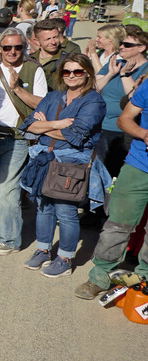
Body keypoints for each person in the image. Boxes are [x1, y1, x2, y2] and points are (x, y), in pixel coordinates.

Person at [20, 54, 105, 278]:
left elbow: (76, 135)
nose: (71, 76)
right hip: (45, 158)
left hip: (71, 162)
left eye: (77, 72)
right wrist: (56, 124)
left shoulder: (93, 101)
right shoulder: (54, 96)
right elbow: (26, 126)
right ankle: (43, 250)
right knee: (43, 206)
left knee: (66, 212)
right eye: (66, 72)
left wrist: (42, 126)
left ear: (87, 73)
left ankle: (65, 258)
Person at [0, 27, 48, 255]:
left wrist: (17, 89)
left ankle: (10, 240)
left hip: (18, 138)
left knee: (8, 189)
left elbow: (41, 104)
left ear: (24, 48)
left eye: (17, 47)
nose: (12, 52)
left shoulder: (34, 71)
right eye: (7, 47)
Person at [81, 74, 148, 299]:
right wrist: (144, 134)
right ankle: (99, 276)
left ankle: (145, 277)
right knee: (118, 223)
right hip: (139, 166)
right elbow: (124, 119)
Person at [94, 26, 148, 176]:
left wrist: (124, 76)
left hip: (125, 132)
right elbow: (95, 88)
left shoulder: (146, 70)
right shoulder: (115, 62)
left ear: (142, 48)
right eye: (122, 44)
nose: (122, 47)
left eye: (128, 45)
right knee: (99, 171)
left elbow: (136, 98)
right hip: (101, 125)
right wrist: (110, 74)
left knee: (115, 173)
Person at [30, 17, 81, 91]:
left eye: (55, 37)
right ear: (37, 41)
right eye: (48, 39)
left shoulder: (67, 60)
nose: (53, 42)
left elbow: (66, 88)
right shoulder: (30, 60)